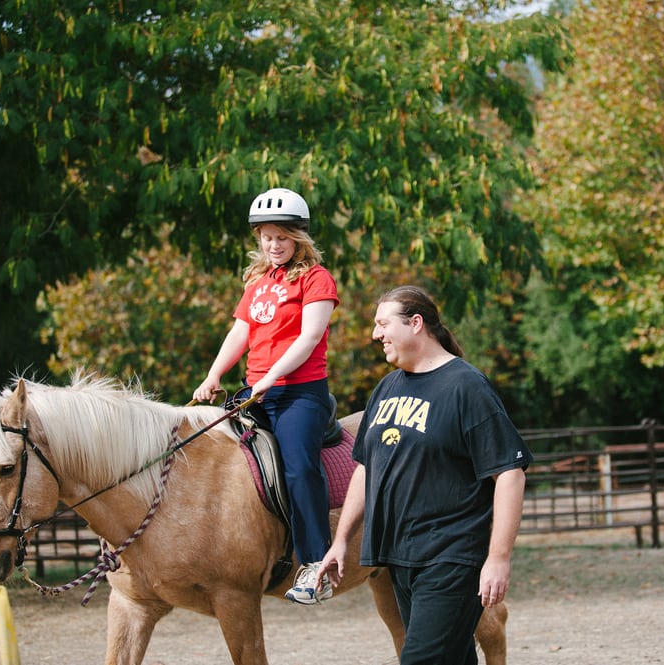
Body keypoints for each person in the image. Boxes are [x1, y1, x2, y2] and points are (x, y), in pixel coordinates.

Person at [316, 285, 532, 664]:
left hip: (451, 557)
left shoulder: (466, 386)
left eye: (383, 324)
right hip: (399, 558)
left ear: (416, 324)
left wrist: (498, 558)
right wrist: (341, 540)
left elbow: (510, 475)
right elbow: (367, 469)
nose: (375, 334)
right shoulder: (386, 388)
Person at [193, 186, 339, 605]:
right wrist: (214, 373)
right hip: (257, 392)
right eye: (266, 237)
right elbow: (240, 332)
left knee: (298, 469)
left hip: (299, 393)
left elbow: (310, 336)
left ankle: (315, 567)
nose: (273, 245)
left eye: (281, 236)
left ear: (299, 237)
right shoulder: (258, 282)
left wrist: (271, 375)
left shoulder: (316, 279)